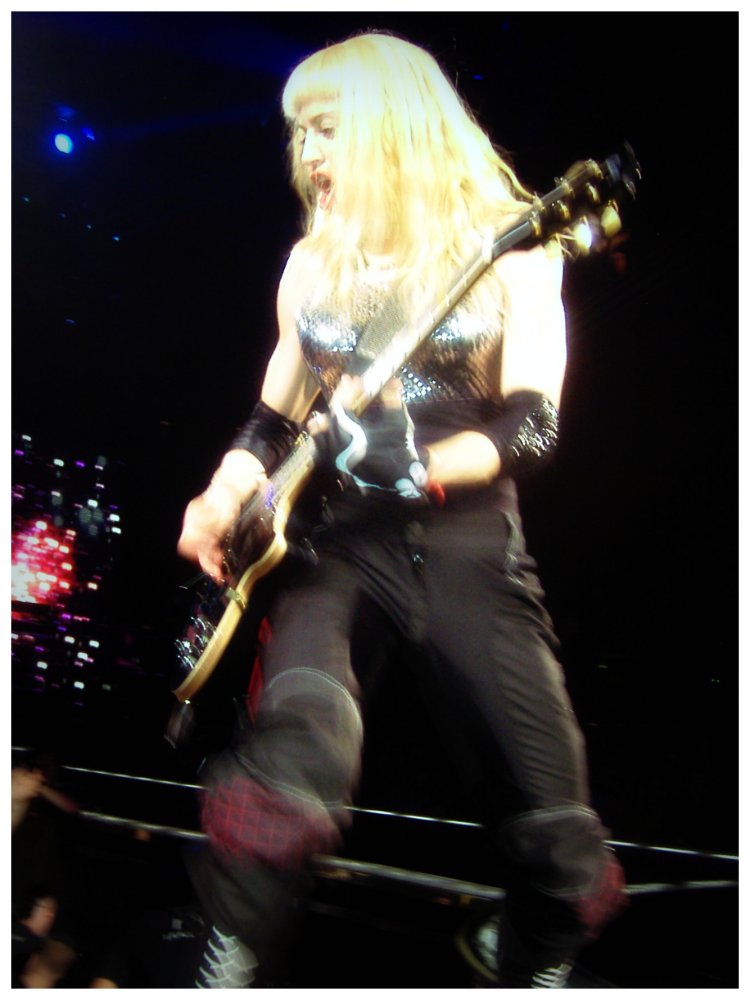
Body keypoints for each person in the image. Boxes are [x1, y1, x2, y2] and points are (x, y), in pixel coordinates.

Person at [177, 31, 626, 988]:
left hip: (470, 547)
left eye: (329, 127)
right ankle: (230, 954)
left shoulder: (517, 246)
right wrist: (221, 495)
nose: (309, 153)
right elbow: (272, 420)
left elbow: (532, 427)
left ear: (395, 123)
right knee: (294, 757)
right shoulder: (313, 264)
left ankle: (531, 948)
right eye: (301, 133)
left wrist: (416, 467)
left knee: (555, 825)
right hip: (336, 547)